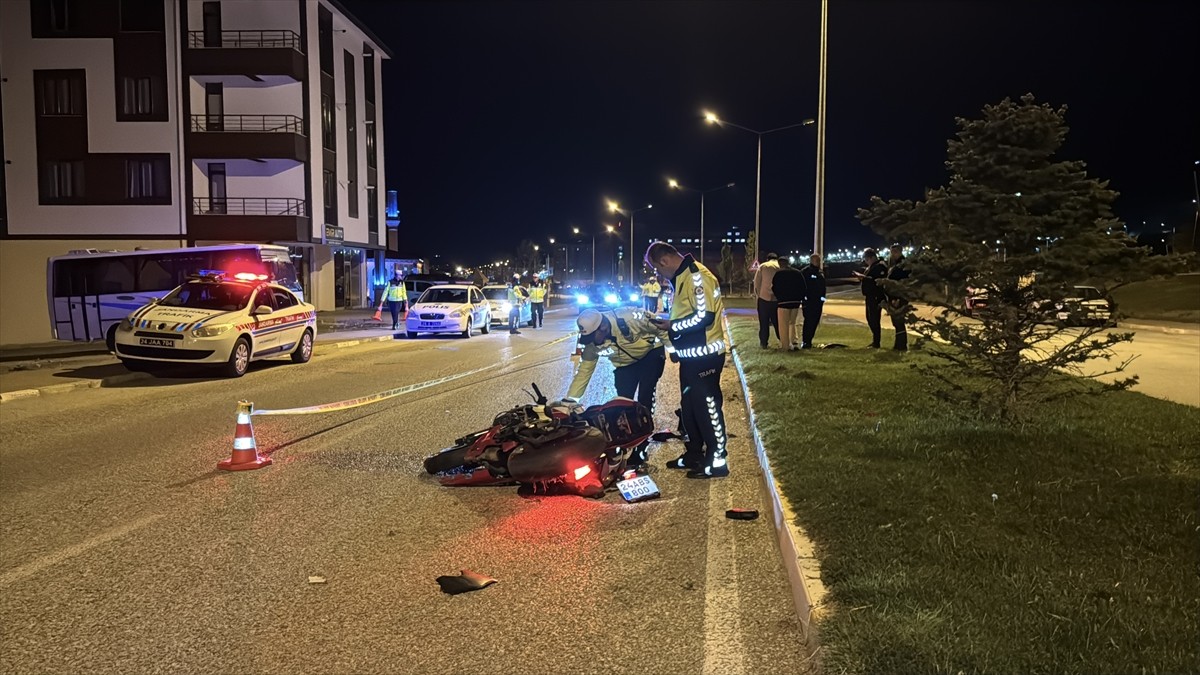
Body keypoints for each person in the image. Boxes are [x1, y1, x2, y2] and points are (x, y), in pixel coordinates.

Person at [644, 241, 730, 479]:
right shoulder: (681, 278)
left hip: (706, 356)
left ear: (664, 261)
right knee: (690, 409)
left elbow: (705, 316)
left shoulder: (696, 276)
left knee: (708, 408)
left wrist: (673, 326)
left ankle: (717, 460)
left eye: (657, 269)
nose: (658, 274)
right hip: (691, 357)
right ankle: (694, 454)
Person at [568, 307, 667, 468]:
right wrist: (570, 400)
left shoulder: (631, 317)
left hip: (651, 355)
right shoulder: (592, 344)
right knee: (621, 405)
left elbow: (660, 328)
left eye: (593, 336)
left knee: (645, 398)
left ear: (603, 327)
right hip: (624, 365)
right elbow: (584, 371)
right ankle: (623, 443)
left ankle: (641, 448)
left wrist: (675, 351)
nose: (591, 342)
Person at [853, 248, 888, 348]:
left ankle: (876, 342)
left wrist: (863, 277)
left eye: (867, 259)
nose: (866, 261)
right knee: (870, 318)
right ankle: (875, 341)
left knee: (874, 319)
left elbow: (877, 280)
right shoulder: (871, 267)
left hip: (876, 295)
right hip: (870, 296)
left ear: (872, 257)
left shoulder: (880, 266)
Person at [771, 257, 805, 351]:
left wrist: (779, 297)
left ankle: (785, 346)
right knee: (792, 322)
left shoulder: (779, 274)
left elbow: (774, 287)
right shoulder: (797, 273)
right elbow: (803, 286)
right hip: (795, 302)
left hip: (783, 302)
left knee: (783, 324)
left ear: (780, 264)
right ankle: (794, 342)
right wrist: (799, 298)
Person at [752, 252, 781, 349]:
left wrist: (759, 295)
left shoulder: (763, 266)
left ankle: (764, 343)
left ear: (767, 258)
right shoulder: (780, 266)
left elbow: (757, 283)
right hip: (777, 300)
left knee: (764, 323)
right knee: (778, 322)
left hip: (764, 299)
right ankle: (782, 340)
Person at [799, 254, 827, 348]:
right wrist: (804, 298)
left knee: (815, 321)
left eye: (819, 260)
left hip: (818, 302)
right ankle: (805, 341)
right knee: (808, 321)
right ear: (811, 261)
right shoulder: (805, 272)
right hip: (809, 301)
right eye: (817, 260)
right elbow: (803, 286)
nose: (819, 262)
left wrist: (823, 298)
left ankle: (809, 340)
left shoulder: (820, 272)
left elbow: (823, 287)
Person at [885, 244, 910, 351]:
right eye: (891, 252)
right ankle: (898, 344)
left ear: (899, 252)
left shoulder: (902, 265)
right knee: (896, 322)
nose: (892, 254)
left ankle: (901, 345)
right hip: (894, 297)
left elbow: (901, 283)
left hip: (898, 297)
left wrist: (897, 298)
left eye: (894, 252)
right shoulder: (895, 265)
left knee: (899, 321)